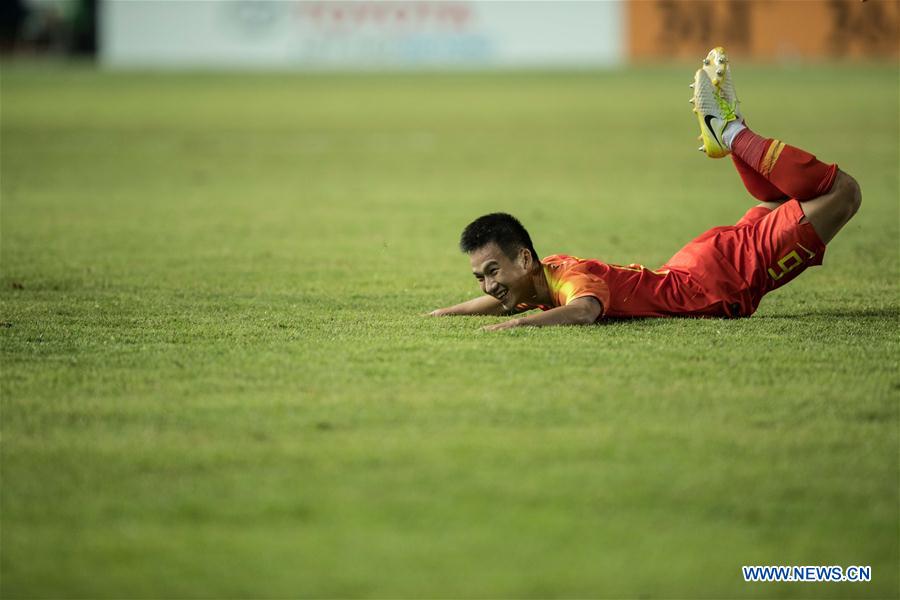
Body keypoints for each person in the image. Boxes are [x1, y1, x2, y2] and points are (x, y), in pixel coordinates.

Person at [429, 47, 862, 331]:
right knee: (777, 200)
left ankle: (729, 133)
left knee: (842, 192)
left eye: (492, 273)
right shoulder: (545, 273)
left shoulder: (571, 283)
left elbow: (582, 311)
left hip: (718, 285)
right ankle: (734, 132)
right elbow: (506, 299)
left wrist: (515, 327)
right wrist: (446, 313)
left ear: (524, 260)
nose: (488, 288)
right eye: (480, 278)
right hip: (697, 269)